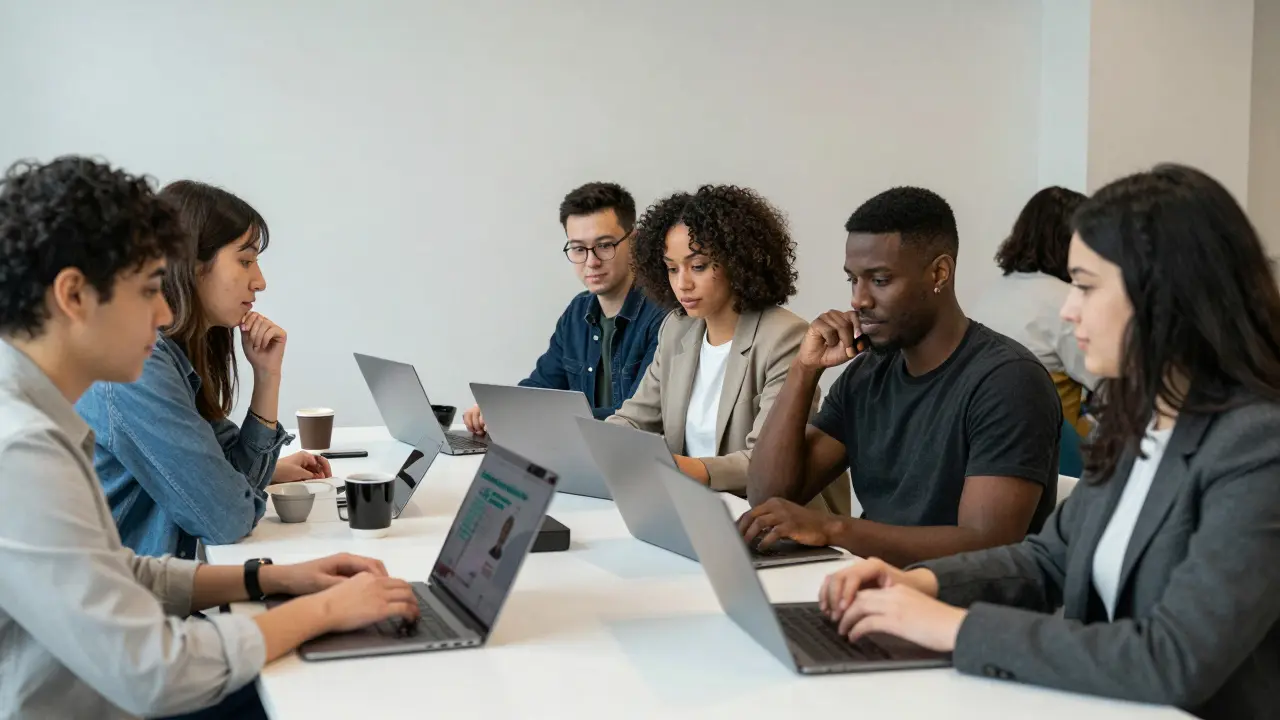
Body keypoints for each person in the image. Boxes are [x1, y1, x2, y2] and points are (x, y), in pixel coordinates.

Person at [818, 164, 1280, 720]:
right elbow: (1050, 560)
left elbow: (1173, 660)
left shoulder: (1258, 448)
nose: (1066, 309)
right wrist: (919, 582)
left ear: (1164, 296)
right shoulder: (1138, 421)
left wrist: (956, 628)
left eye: (1083, 286)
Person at [0, 156, 418, 719]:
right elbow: (154, 670)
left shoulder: (32, 421)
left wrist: (276, 577)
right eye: (150, 288)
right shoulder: (20, 451)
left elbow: (120, 571)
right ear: (75, 296)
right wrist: (323, 612)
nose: (166, 309)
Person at [741, 186, 1061, 566]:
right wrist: (804, 370)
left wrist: (833, 529)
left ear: (939, 273)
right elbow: (768, 495)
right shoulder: (869, 371)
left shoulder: (1009, 381)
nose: (858, 300)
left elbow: (987, 546)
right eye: (853, 280)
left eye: (879, 280)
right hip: (874, 587)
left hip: (960, 611)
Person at [76, 180, 329, 559]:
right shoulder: (138, 366)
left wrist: (267, 378)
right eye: (245, 260)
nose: (260, 281)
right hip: (126, 603)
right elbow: (227, 518)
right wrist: (237, 486)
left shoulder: (173, 355)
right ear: (190, 265)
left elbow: (234, 484)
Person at [606, 185, 850, 514]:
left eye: (699, 266)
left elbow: (766, 464)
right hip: (698, 510)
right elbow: (636, 420)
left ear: (738, 261)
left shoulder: (786, 337)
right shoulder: (677, 329)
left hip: (772, 522)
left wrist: (678, 469)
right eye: (672, 268)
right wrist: (599, 447)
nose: (683, 284)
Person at [463, 182, 666, 433]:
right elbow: (543, 385)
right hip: (576, 454)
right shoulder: (577, 313)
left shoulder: (663, 317)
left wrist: (535, 416)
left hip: (632, 461)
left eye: (604, 245)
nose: (591, 262)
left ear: (633, 242)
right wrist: (497, 409)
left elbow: (640, 416)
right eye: (579, 249)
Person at [973, 186, 1098, 437]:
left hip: (986, 435)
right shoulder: (1067, 302)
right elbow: (1112, 382)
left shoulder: (991, 294)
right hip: (1058, 452)